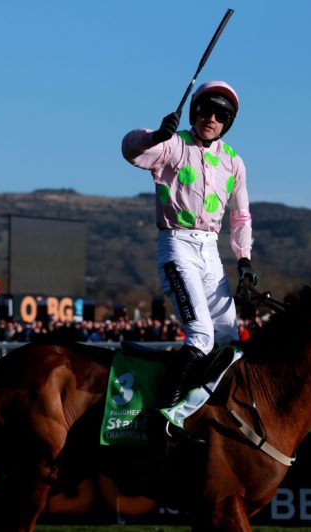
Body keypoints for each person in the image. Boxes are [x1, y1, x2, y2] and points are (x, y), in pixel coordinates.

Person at [121, 80, 257, 405]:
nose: (212, 119)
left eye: (220, 115)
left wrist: (244, 260)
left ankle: (208, 411)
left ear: (228, 123)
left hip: (211, 253)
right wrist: (155, 135)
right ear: (194, 112)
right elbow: (129, 149)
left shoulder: (233, 162)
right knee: (201, 335)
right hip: (177, 247)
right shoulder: (172, 146)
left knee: (227, 341)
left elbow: (241, 216)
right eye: (206, 111)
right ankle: (168, 411)